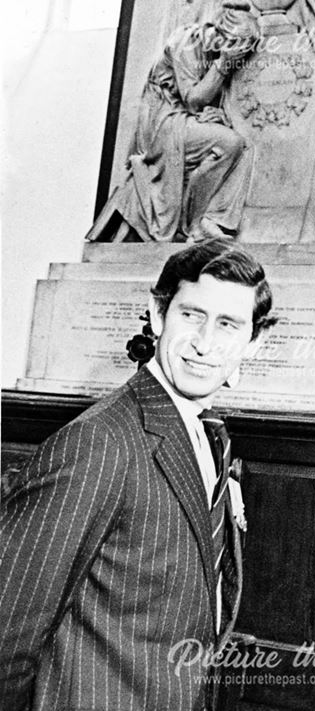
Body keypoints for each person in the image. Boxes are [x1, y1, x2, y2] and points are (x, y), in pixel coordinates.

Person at [0, 239, 278, 710]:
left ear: (255, 341)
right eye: (191, 315)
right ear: (157, 314)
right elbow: (8, 630)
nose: (205, 344)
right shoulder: (99, 443)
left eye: (228, 324)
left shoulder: (209, 435)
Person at [87, 2, 261, 242]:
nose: (240, 53)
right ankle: (198, 222)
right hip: (164, 122)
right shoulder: (187, 41)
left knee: (241, 146)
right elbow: (193, 99)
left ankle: (209, 218)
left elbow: (210, 103)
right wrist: (223, 64)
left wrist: (219, 115)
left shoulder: (215, 54)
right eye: (238, 46)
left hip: (186, 119)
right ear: (223, 34)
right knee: (230, 143)